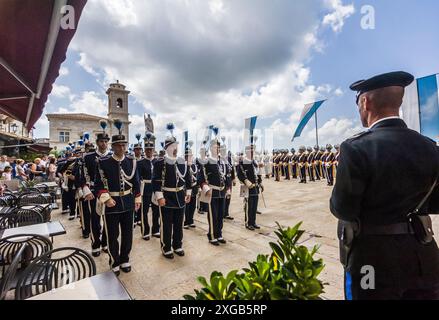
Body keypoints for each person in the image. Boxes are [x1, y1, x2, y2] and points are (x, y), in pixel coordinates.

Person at [330, 71, 439, 300]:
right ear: (398, 102)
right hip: (423, 256)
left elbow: (343, 209)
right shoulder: (430, 147)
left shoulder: (356, 148)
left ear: (366, 102)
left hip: (372, 261)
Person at [95, 120, 141, 275]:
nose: (122, 148)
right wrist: (106, 198)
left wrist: (137, 199)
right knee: (113, 235)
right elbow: (98, 184)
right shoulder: (103, 162)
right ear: (112, 146)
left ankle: (125, 259)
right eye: (118, 145)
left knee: (128, 234)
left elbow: (136, 182)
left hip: (128, 202)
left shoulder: (131, 161)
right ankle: (114, 261)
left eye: (124, 145)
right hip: (112, 204)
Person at [152, 123, 192, 259]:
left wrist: (188, 193)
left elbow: (188, 178)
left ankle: (177, 245)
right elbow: (156, 181)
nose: (175, 148)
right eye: (173, 146)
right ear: (167, 148)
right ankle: (166, 247)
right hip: (167, 196)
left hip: (180, 195)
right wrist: (159, 196)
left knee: (179, 223)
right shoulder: (159, 162)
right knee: (167, 224)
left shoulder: (182, 162)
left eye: (176, 146)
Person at [81, 125, 111, 256]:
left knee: (108, 219)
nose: (104, 144)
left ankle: (105, 242)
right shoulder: (88, 157)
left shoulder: (112, 156)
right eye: (101, 141)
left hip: (109, 191)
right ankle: (95, 244)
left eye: (106, 141)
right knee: (95, 218)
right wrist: (85, 188)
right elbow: (82, 174)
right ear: (97, 143)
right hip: (93, 191)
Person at [198, 130, 230, 246]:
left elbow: (227, 175)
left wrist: (228, 188)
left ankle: (219, 234)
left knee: (221, 214)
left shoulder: (223, 161)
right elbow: (201, 177)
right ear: (211, 148)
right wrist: (206, 188)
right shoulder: (206, 161)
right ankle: (211, 235)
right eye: (215, 147)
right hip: (212, 192)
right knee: (213, 214)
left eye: (218, 147)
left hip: (222, 191)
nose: (217, 149)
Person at [137, 132, 160, 239]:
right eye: (147, 149)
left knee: (156, 210)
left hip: (155, 188)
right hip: (145, 188)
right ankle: (145, 231)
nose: (149, 151)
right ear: (144, 150)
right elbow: (138, 177)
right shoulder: (140, 162)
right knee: (144, 211)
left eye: (151, 149)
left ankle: (156, 230)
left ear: (153, 150)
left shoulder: (157, 161)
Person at [237, 144, 263, 231]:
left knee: (255, 205)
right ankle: (248, 222)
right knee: (249, 205)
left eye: (253, 151)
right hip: (248, 187)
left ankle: (253, 222)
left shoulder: (254, 162)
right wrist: (245, 180)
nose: (252, 152)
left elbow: (257, 173)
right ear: (246, 152)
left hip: (255, 186)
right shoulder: (242, 162)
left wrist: (260, 182)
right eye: (250, 151)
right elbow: (239, 174)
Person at [184, 141, 198, 228]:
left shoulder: (194, 166)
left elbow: (197, 176)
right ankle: (186, 221)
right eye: (187, 156)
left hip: (194, 187)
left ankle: (191, 220)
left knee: (193, 205)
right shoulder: (183, 165)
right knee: (187, 205)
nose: (189, 157)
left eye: (190, 156)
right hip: (186, 188)